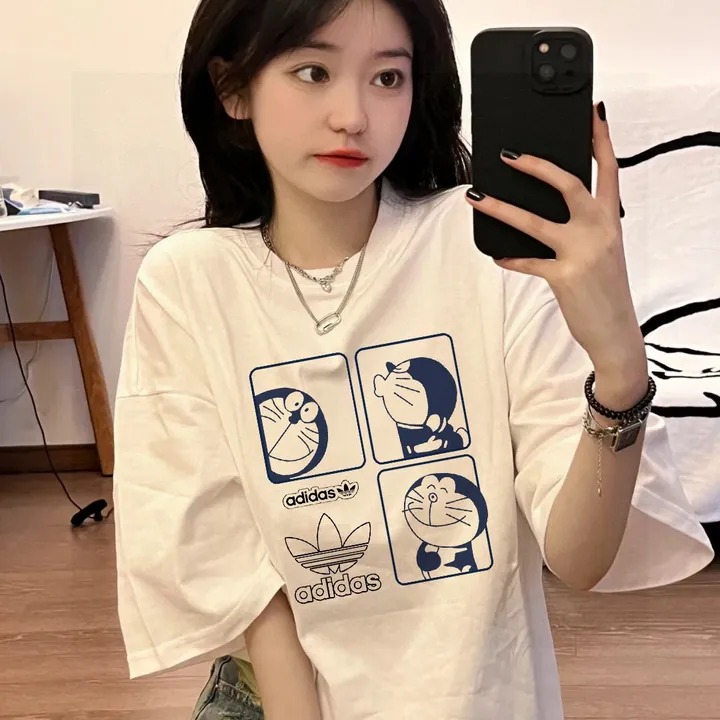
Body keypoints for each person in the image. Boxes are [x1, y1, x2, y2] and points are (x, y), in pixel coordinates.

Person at [111, 0, 715, 718]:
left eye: (387, 78)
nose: (352, 117)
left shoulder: (487, 250)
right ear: (232, 88)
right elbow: (238, 574)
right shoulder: (188, 282)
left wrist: (619, 369)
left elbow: (579, 561)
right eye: (313, 72)